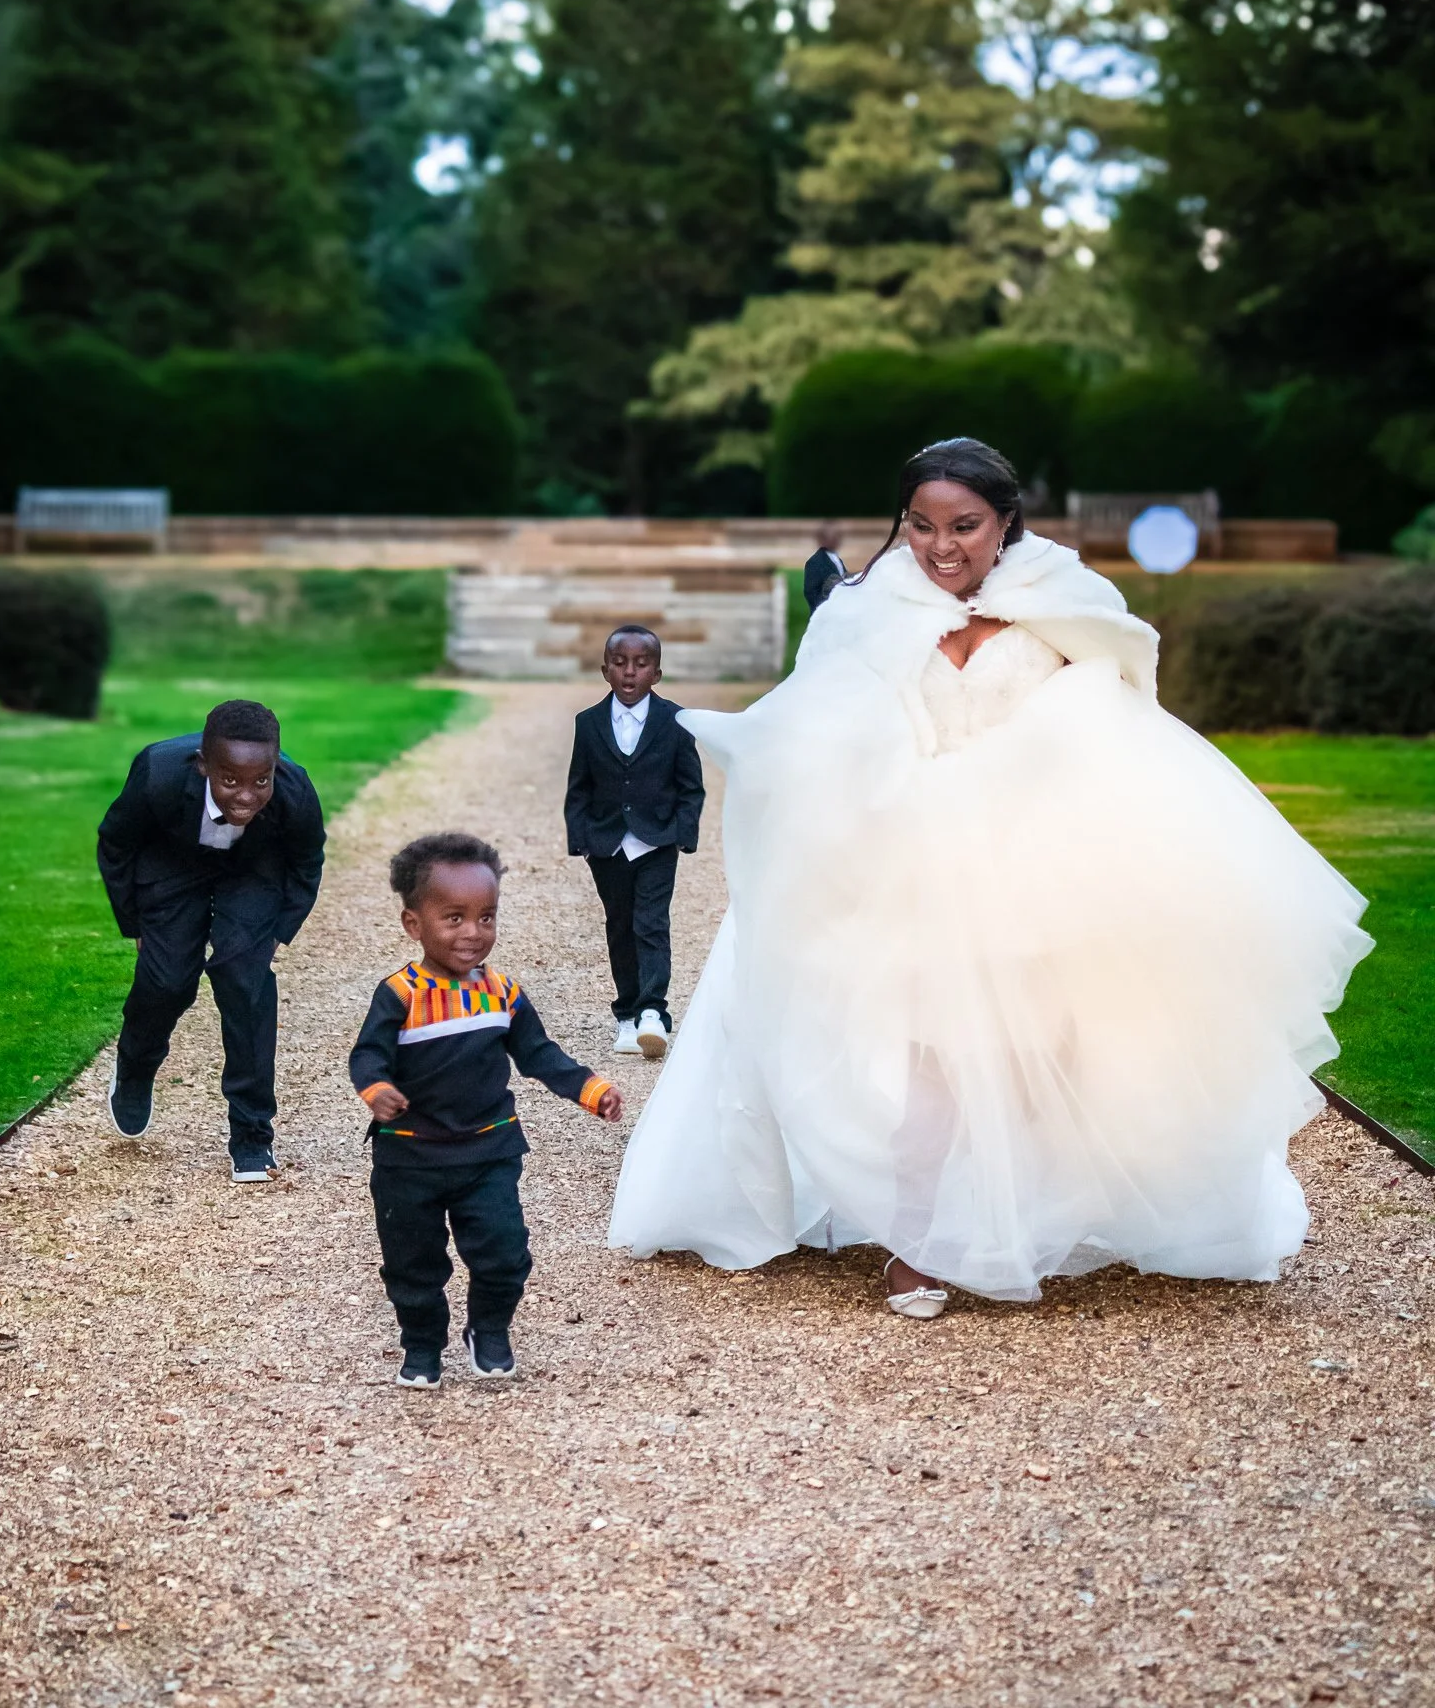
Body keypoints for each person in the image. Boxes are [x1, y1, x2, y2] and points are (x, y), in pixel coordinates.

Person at [609, 438, 1372, 1316]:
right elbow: (818, 731)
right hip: (909, 861)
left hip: (1038, 866)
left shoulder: (1065, 597)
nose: (941, 547)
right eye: (922, 526)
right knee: (929, 1064)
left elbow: (1120, 717)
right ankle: (911, 1245)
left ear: (1006, 521)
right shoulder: (863, 610)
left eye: (965, 526)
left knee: (1039, 1057)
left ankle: (1029, 1218)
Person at [352, 832, 623, 1388]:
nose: (473, 933)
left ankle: (489, 1330)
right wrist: (376, 1090)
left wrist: (590, 1089)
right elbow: (367, 1055)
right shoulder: (399, 995)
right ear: (414, 924)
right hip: (409, 1159)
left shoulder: (503, 994)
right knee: (413, 1265)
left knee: (504, 1254)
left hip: (488, 1149)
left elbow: (538, 1053)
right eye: (454, 918)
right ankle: (423, 1345)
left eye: (486, 917)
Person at [97, 698, 324, 1183]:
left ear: (275, 767)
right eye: (230, 781)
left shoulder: (294, 790)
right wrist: (134, 924)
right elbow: (116, 843)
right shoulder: (158, 772)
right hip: (172, 861)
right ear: (203, 766)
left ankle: (252, 1134)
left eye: (260, 781)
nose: (245, 795)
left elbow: (307, 863)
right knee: (168, 979)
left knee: (245, 981)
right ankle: (136, 1065)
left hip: (253, 868)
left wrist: (279, 933)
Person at [564, 625, 706, 1061]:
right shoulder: (588, 724)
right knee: (620, 926)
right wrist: (581, 840)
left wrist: (683, 834)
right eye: (620, 663)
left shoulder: (675, 722)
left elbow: (691, 787)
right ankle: (626, 1013)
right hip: (607, 845)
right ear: (605, 670)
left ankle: (652, 1013)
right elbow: (579, 787)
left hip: (656, 842)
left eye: (641, 664)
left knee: (651, 923)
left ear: (657, 673)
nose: (630, 673)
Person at [802, 520, 846, 614]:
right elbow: (810, 594)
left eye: (838, 536)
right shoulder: (814, 562)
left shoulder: (837, 559)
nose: (837, 539)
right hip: (824, 616)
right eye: (833, 537)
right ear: (822, 540)